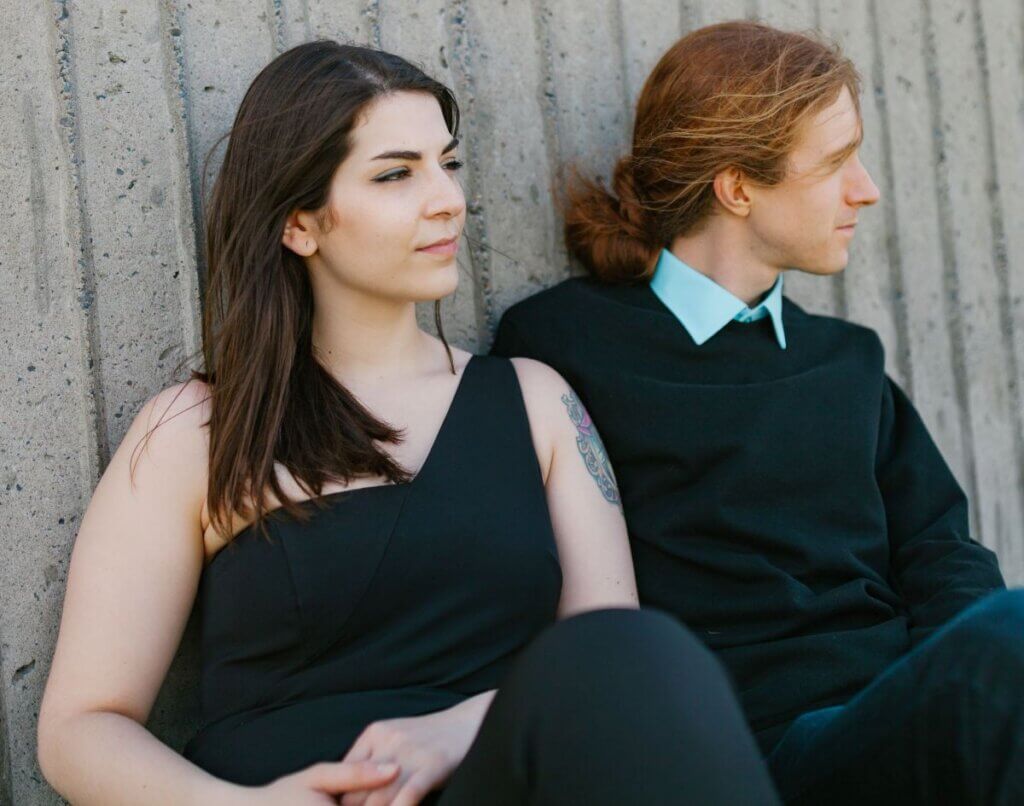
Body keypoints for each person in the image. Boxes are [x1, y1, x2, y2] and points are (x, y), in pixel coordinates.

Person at [36, 41, 780, 805]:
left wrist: (461, 729)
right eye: (396, 174)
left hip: (499, 784)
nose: (448, 199)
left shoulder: (538, 403)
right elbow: (80, 727)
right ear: (299, 223)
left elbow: (619, 665)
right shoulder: (193, 432)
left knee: (655, 651)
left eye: (447, 164)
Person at [491, 20, 1023, 805]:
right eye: (837, 163)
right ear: (738, 188)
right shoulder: (564, 345)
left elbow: (942, 552)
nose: (867, 189)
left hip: (898, 717)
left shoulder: (848, 360)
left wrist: (955, 694)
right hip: (744, 753)